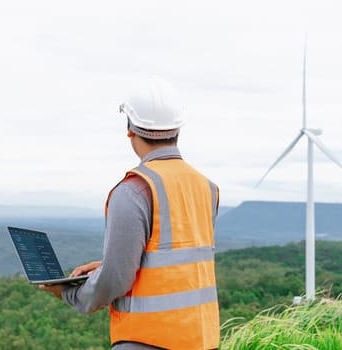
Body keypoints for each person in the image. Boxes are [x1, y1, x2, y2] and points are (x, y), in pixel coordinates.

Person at [40, 76, 220, 350]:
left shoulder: (134, 191)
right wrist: (108, 265)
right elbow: (175, 261)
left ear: (130, 130)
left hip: (147, 340)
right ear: (178, 129)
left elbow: (116, 280)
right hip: (200, 339)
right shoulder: (207, 188)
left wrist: (69, 293)